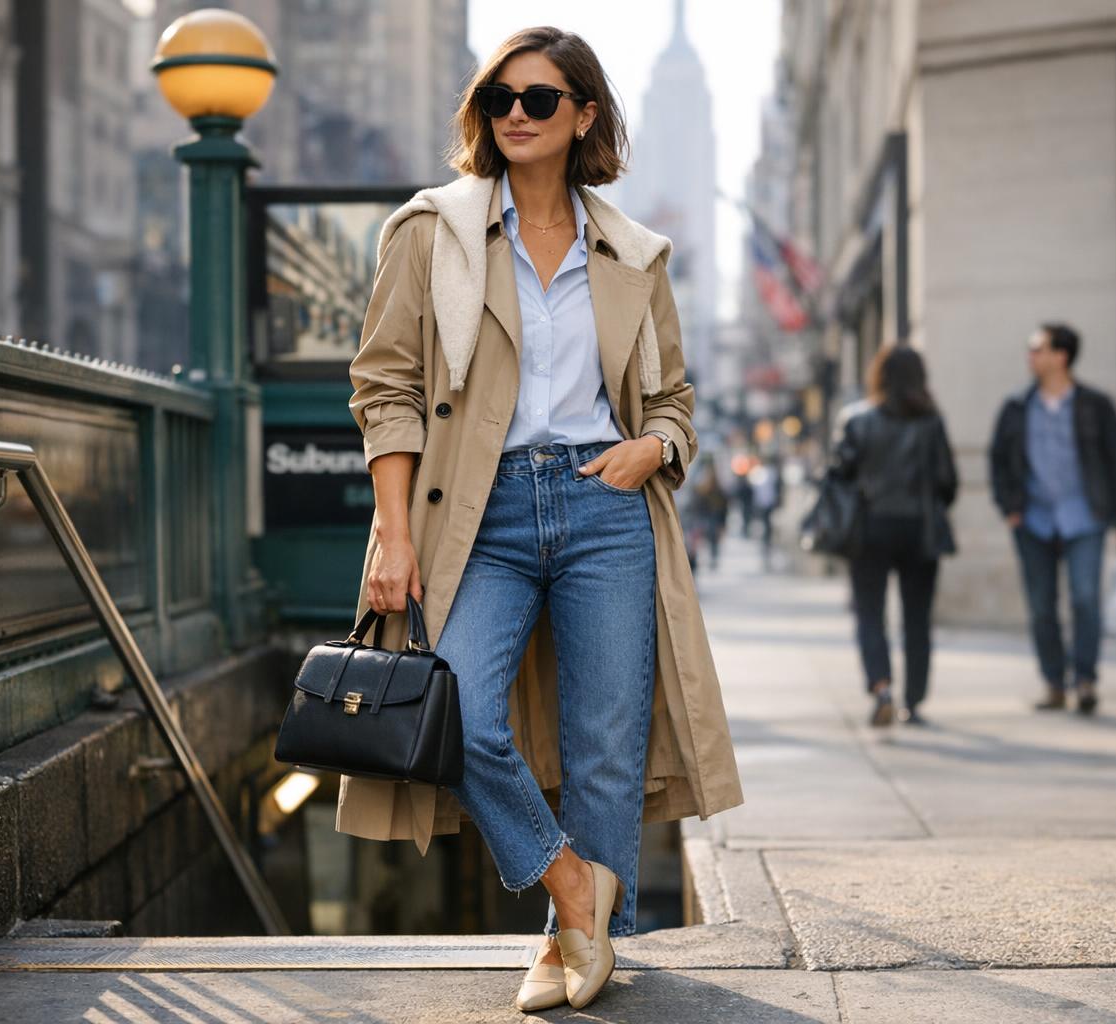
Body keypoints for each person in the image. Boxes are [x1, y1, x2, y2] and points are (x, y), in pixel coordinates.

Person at [339, 26, 743, 1013]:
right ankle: (574, 887)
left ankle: (580, 953)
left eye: (539, 99)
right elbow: (384, 386)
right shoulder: (430, 232)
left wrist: (655, 447)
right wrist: (393, 532)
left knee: (606, 750)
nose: (515, 114)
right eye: (499, 100)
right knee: (462, 718)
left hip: (606, 506)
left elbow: (676, 403)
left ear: (585, 116)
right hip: (481, 511)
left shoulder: (634, 254)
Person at [989, 323, 1116, 715]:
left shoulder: (1096, 405)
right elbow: (998, 460)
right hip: (1034, 519)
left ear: (1061, 356)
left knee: (1085, 599)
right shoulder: (1017, 406)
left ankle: (1085, 679)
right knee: (1042, 606)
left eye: (1037, 348)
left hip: (1084, 517)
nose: (1030, 356)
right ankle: (1054, 682)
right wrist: (1010, 508)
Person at [832, 345, 958, 727]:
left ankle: (882, 687)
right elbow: (947, 483)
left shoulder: (858, 421)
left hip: (870, 527)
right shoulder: (931, 423)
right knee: (917, 617)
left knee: (870, 613)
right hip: (918, 528)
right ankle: (914, 701)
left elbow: (839, 476)